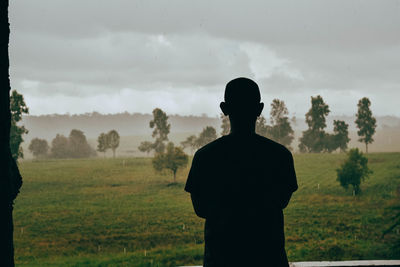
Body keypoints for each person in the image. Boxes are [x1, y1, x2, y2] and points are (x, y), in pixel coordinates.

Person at [185, 77, 298, 267]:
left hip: (221, 260)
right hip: (269, 259)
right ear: (260, 109)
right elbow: (282, 202)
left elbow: (201, 209)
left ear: (224, 108)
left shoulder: (205, 157)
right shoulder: (279, 156)